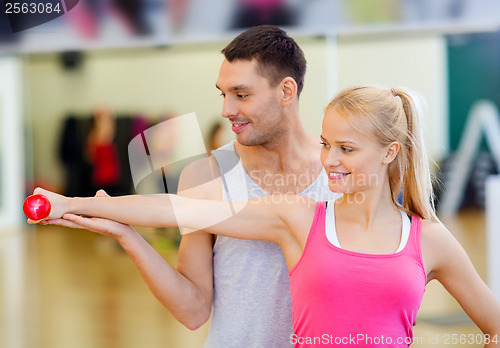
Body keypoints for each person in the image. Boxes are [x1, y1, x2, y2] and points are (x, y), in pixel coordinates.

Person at [33, 85, 500, 346]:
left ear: (389, 153)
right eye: (325, 144)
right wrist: (74, 204)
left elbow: (493, 323)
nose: (330, 159)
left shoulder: (428, 240)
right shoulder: (298, 218)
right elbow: (181, 208)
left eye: (347, 149)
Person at [46, 25, 340, 347]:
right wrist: (126, 234)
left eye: (241, 95)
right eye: (223, 94)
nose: (227, 110)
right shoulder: (207, 175)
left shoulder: (340, 174)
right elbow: (193, 311)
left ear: (286, 91)